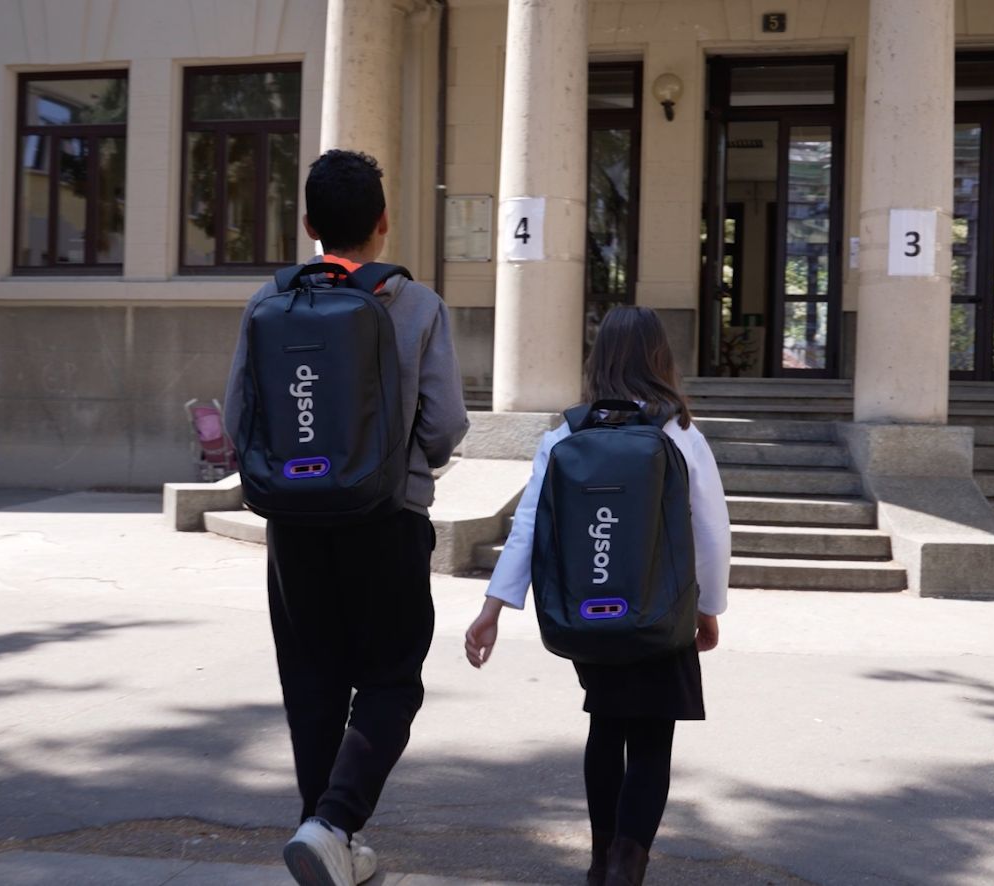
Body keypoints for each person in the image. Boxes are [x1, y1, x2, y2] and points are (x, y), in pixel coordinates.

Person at [223, 149, 470, 886]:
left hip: (294, 526)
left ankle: (323, 835)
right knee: (392, 679)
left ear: (307, 224)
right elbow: (446, 425)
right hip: (387, 516)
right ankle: (332, 825)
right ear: (384, 223)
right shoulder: (418, 304)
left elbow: (240, 417)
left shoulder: (271, 300)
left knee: (312, 680)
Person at [464, 305, 732, 886]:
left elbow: (530, 524)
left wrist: (493, 610)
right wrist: (708, 607)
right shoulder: (680, 432)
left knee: (607, 725)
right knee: (653, 733)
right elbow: (711, 527)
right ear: (661, 358)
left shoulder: (566, 433)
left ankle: (599, 857)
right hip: (661, 613)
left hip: (589, 614)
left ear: (599, 358)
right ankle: (628, 865)